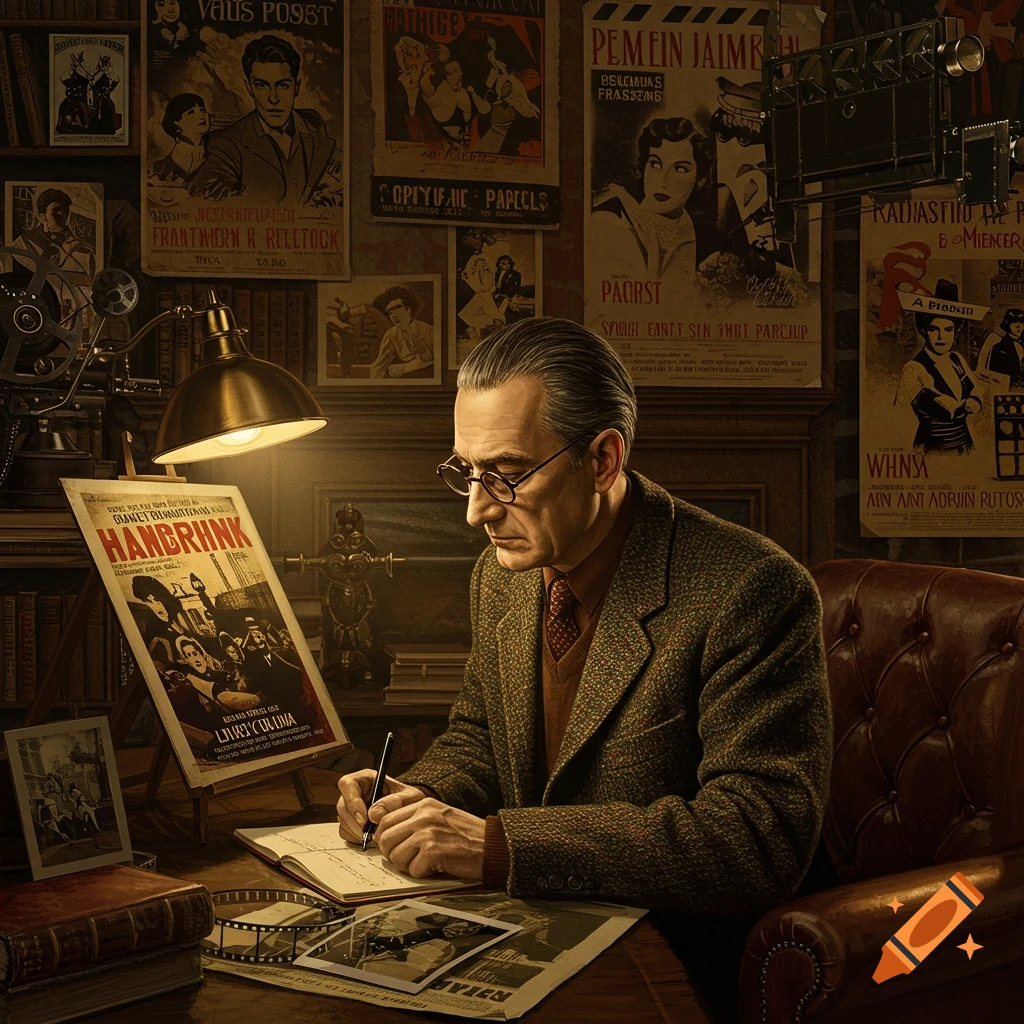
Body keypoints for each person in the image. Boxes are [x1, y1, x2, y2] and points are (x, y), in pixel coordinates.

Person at [336, 317, 832, 931]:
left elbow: (758, 836)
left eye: (506, 474)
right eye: (465, 471)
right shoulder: (500, 575)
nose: (475, 511)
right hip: (525, 922)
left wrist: (500, 847)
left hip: (671, 951)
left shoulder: (750, 588)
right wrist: (408, 798)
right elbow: (481, 740)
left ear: (601, 459)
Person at [589, 116, 747, 293]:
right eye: (655, 164)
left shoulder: (687, 225)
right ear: (644, 166)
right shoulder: (611, 221)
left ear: (699, 178)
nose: (662, 182)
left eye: (680, 169)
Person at [188, 34, 336, 205]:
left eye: (283, 85)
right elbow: (204, 198)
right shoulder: (224, 144)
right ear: (249, 87)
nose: (273, 98)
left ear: (297, 87)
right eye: (261, 85)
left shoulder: (313, 121)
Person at [894, 282, 982, 453]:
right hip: (932, 448)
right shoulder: (913, 368)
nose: (942, 337)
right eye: (934, 330)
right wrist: (964, 406)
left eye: (948, 329)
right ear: (923, 331)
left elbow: (976, 387)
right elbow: (933, 404)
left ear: (955, 332)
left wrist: (976, 400)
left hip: (964, 444)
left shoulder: (956, 359)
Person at [364, 287, 435, 379]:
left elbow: (435, 359)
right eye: (390, 312)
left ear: (408, 309)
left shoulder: (427, 330)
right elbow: (380, 364)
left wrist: (405, 368)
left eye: (397, 308)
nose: (393, 315)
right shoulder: (391, 334)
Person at [152, 92, 210, 184]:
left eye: (202, 110)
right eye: (191, 112)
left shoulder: (213, 150)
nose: (201, 115)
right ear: (176, 123)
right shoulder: (162, 168)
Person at [977, 307, 1024, 391]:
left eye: (1021, 322)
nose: (1018, 326)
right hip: (1003, 389)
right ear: (1007, 324)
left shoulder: (1021, 345)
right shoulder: (997, 344)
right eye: (1014, 322)